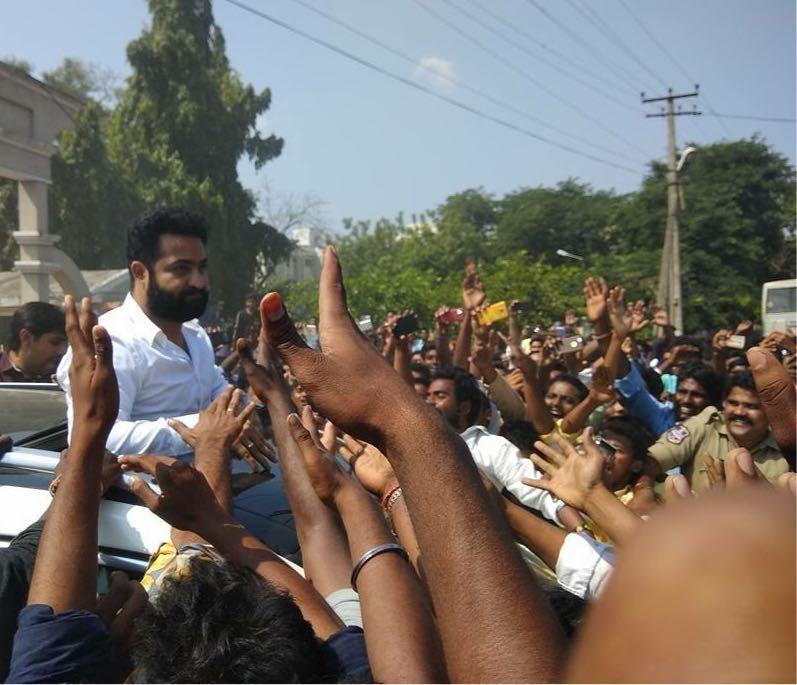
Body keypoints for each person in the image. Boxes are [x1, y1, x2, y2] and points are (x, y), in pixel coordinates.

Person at [55, 208, 269, 465]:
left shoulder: (195, 335)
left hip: (217, 489)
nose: (199, 282)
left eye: (202, 268)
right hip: (142, 501)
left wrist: (244, 412)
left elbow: (218, 390)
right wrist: (205, 429)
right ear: (140, 272)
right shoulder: (111, 342)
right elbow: (99, 438)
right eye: (181, 269)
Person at [427, 366, 577, 527]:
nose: (429, 402)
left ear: (464, 407)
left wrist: (581, 530)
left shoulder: (490, 447)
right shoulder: (416, 447)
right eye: (427, 396)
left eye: (440, 396)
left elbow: (540, 494)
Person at [648, 370, 790, 491]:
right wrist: (644, 491)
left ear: (770, 412)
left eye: (751, 406)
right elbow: (651, 462)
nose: (739, 412)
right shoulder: (706, 424)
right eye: (733, 403)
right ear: (723, 403)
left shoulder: (787, 445)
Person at [0, 302, 66, 382]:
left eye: (65, 344)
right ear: (26, 337)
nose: (62, 351)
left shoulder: (65, 375)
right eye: (55, 342)